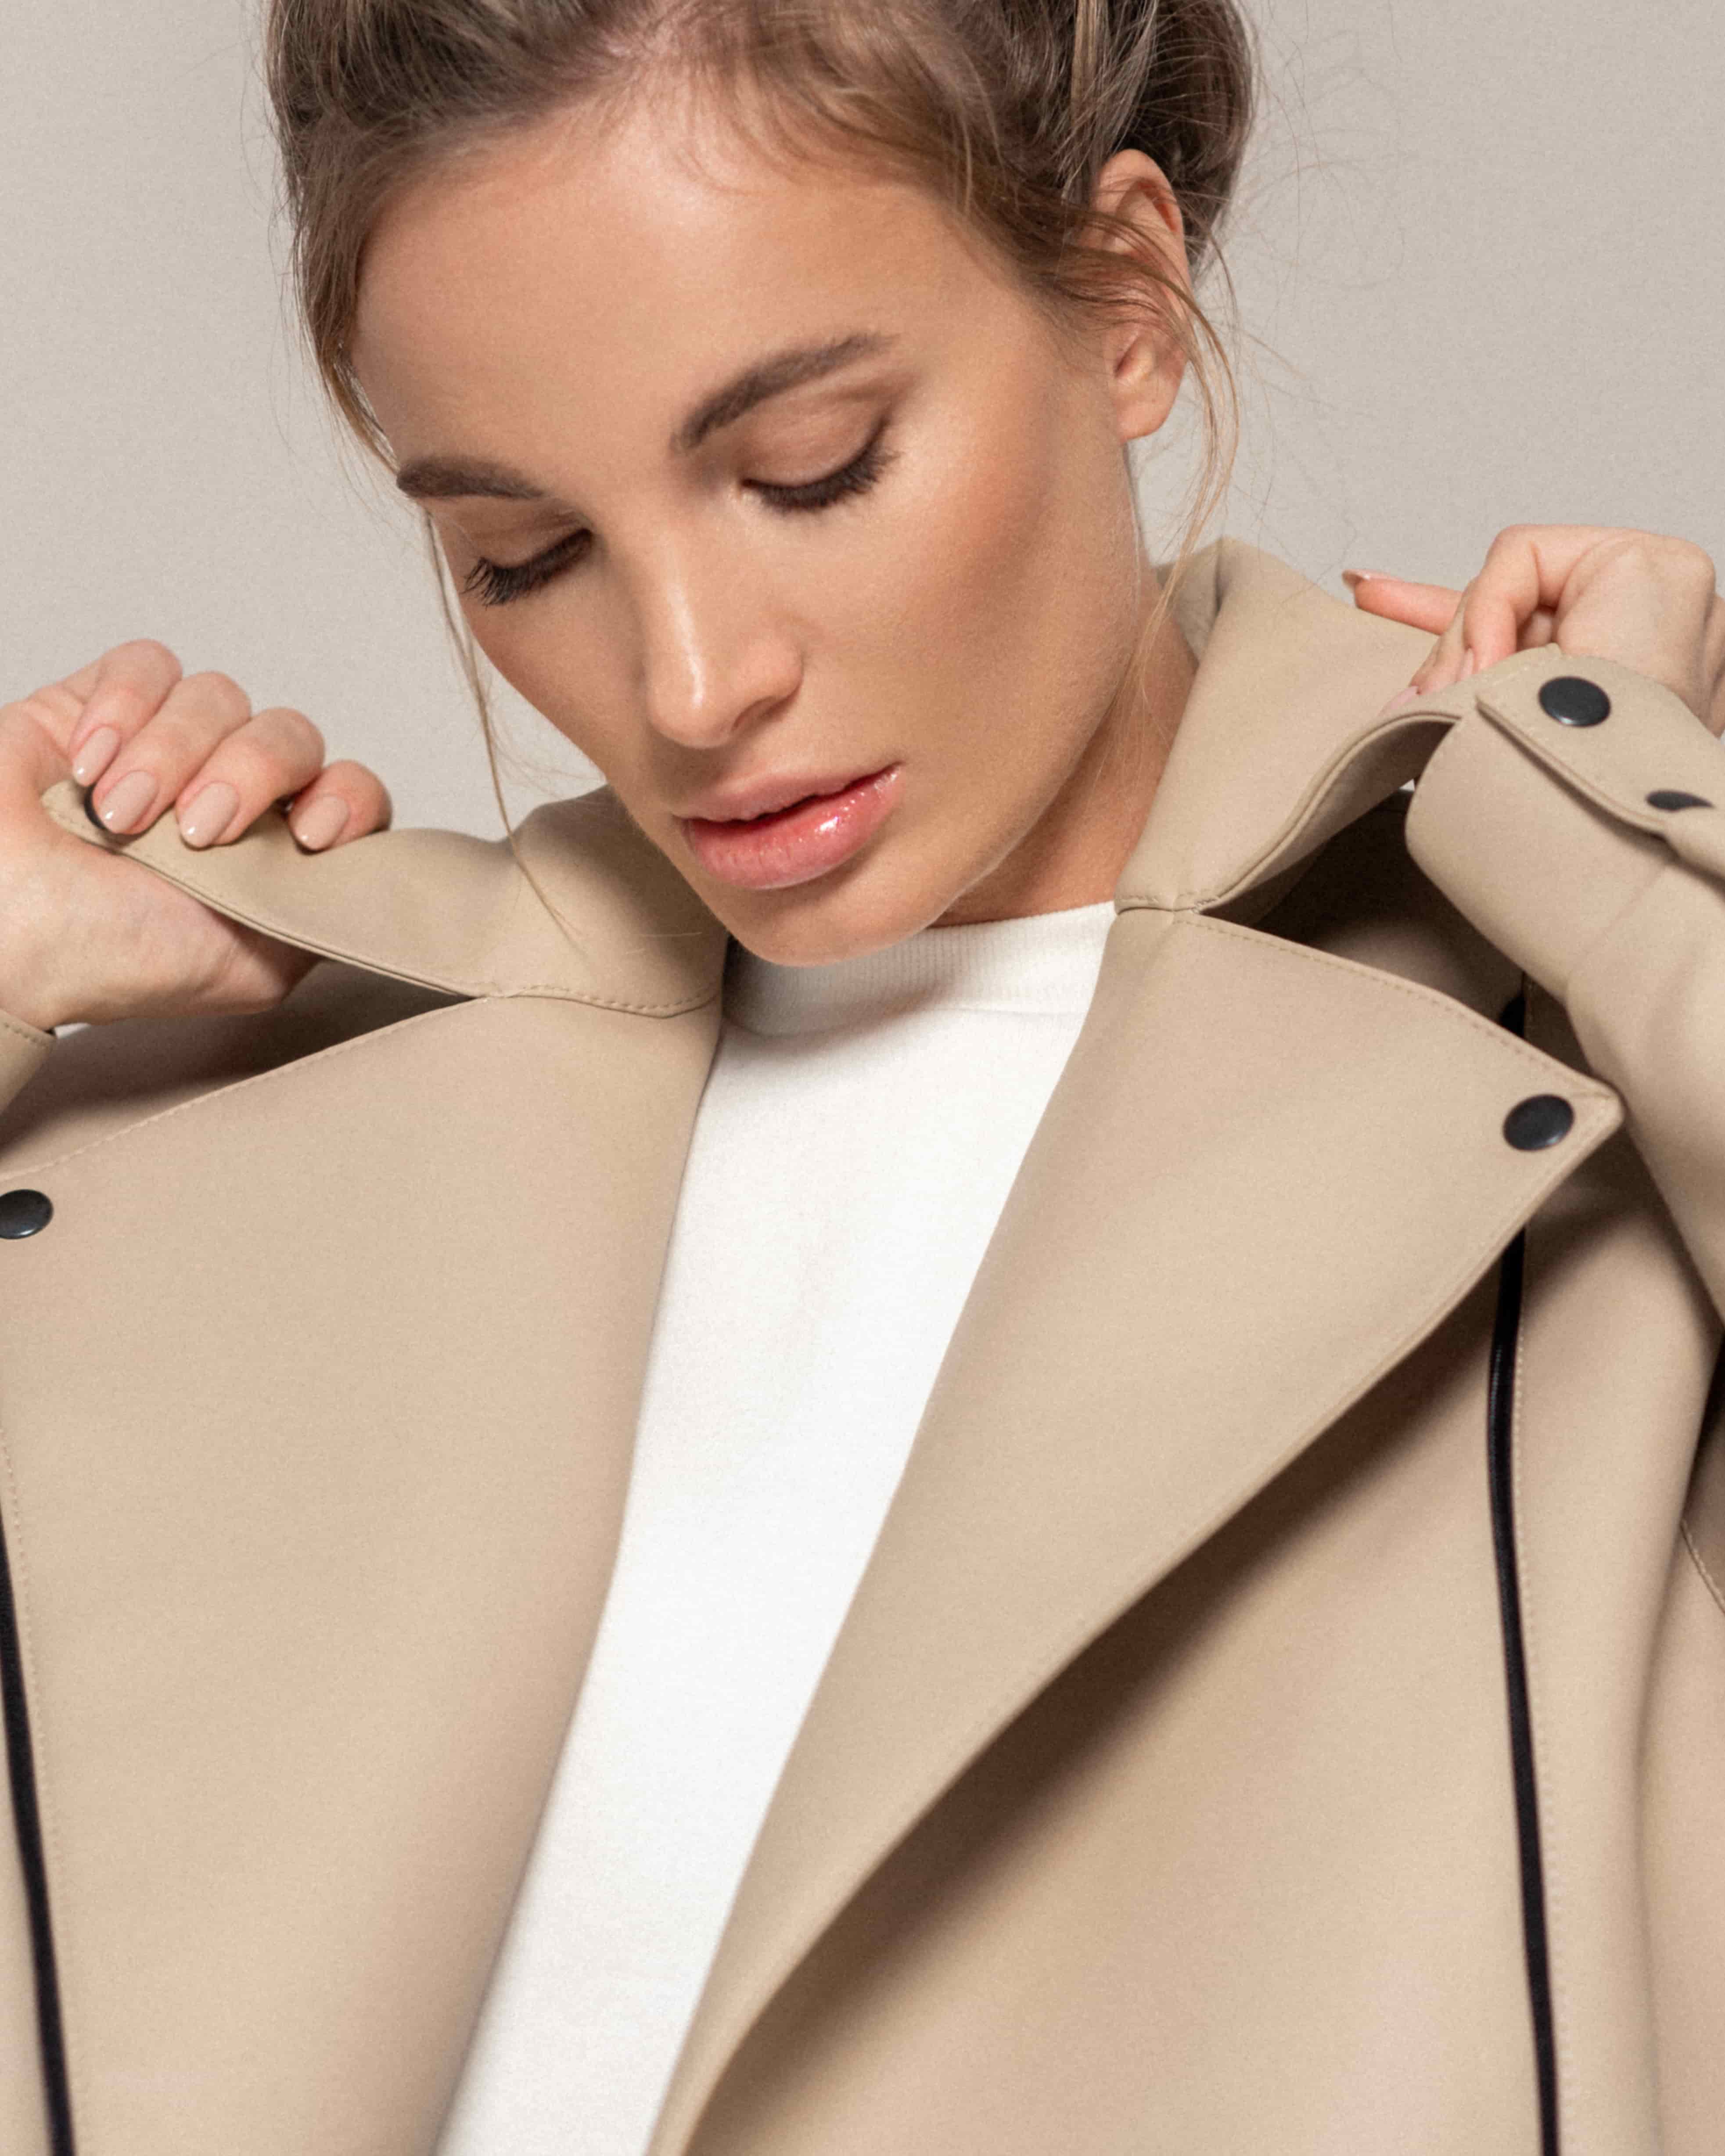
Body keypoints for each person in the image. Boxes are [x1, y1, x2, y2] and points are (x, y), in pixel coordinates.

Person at [0, 2, 1721, 2152]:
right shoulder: (229, 1139)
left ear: (1123, 303)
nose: (690, 684)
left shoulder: (1565, 1067)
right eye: (521, 553)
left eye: (809, 468)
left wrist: (1621, 834)